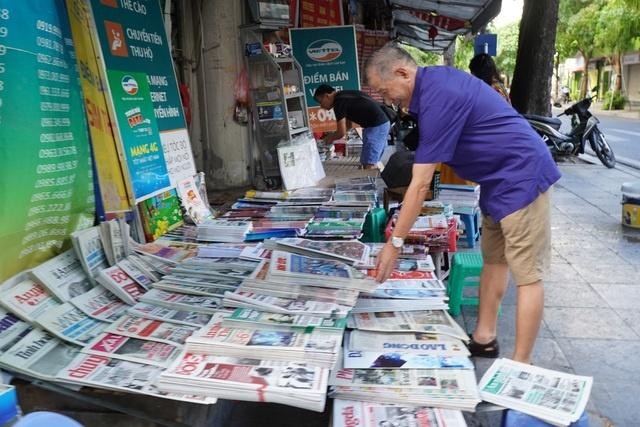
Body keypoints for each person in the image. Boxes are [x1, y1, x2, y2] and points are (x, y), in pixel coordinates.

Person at [365, 42, 561, 364]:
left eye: (386, 91)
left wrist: (395, 242)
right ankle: (484, 337)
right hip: (496, 182)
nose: (389, 101)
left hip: (522, 175)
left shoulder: (438, 94)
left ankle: (520, 367)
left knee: (528, 274)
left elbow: (420, 185)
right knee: (494, 259)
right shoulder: (432, 90)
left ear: (402, 72)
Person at [313, 84, 391, 169]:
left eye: (321, 102)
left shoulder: (339, 102)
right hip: (378, 125)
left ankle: (370, 178)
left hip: (377, 126)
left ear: (326, 96)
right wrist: (332, 136)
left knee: (369, 164)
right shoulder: (344, 96)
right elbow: (348, 126)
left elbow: (341, 132)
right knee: (365, 162)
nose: (321, 106)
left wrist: (326, 140)